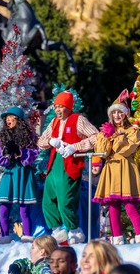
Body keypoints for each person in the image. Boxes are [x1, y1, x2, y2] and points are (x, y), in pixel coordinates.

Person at [37, 90, 98, 245]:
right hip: (54, 164)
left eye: (61, 106)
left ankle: (75, 231)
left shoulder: (78, 120)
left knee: (65, 201)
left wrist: (74, 147)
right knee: (48, 201)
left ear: (69, 107)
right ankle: (57, 232)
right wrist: (50, 141)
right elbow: (41, 141)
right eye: (55, 106)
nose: (57, 110)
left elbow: (96, 137)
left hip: (70, 165)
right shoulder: (54, 122)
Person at [93, 90, 140, 245]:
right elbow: (102, 152)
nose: (117, 116)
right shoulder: (107, 131)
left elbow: (125, 150)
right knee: (113, 206)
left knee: (130, 205)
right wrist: (106, 136)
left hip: (125, 169)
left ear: (126, 114)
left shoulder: (133, 131)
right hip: (111, 169)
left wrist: (117, 138)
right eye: (114, 112)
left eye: (120, 112)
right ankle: (117, 239)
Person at [0, 106, 41, 244]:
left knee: (24, 209)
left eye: (10, 117)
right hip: (9, 173)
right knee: (3, 208)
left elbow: (35, 153)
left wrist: (20, 152)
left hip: (24, 174)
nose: (8, 120)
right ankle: (4, 235)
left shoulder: (30, 137)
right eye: (6, 118)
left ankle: (27, 236)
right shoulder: (2, 137)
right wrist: (6, 153)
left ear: (18, 120)